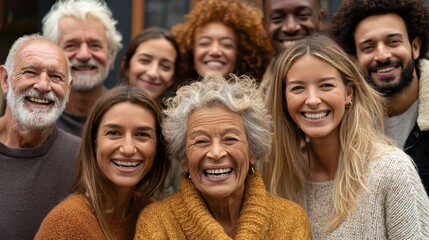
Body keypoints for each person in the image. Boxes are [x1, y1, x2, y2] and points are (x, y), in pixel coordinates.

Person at [262, 34, 429, 238]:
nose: (313, 100)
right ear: (284, 100)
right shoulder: (277, 178)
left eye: (326, 85)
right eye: (298, 88)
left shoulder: (392, 170)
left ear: (348, 93)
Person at [134, 74, 311, 239]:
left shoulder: (290, 220)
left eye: (230, 139)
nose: (216, 153)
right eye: (201, 141)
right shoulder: (157, 223)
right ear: (184, 159)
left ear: (252, 152)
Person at [35, 85, 170, 240]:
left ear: (157, 146)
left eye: (142, 135)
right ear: (94, 141)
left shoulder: (152, 212)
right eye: (113, 133)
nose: (128, 149)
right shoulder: (66, 223)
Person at [330, 0, 429, 195]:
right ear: (355, 60)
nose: (382, 55)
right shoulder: (341, 124)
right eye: (368, 47)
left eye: (393, 42)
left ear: (415, 47)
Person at [0, 34, 79, 239]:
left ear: (68, 90)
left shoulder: (84, 158)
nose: (43, 86)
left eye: (55, 77)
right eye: (30, 72)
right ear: (5, 79)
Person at [42, 0, 123, 137]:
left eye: (95, 45)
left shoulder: (126, 115)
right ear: (50, 56)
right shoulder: (34, 118)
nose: (84, 55)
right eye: (71, 45)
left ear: (110, 56)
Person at [171, 0, 273, 83]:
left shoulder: (262, 103)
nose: (215, 51)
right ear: (190, 50)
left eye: (227, 45)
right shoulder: (169, 102)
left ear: (241, 53)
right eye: (204, 43)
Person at [259, 0, 325, 97]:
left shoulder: (345, 80)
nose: (291, 27)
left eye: (303, 15)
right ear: (265, 26)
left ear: (319, 19)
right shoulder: (253, 89)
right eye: (277, 18)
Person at [121, 26, 180, 102]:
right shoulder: (105, 111)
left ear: (173, 78)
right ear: (126, 66)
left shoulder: (182, 114)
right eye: (145, 60)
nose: (153, 73)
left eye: (165, 66)